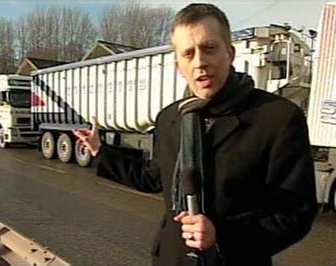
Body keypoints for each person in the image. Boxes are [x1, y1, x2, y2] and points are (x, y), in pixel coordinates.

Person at [73, 3, 317, 266]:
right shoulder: (169, 118)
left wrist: (223, 234)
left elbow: (296, 213)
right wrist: (100, 150)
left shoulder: (278, 118)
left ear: (230, 53)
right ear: (179, 65)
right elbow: (153, 177)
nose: (200, 62)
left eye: (209, 48)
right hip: (171, 258)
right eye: (189, 54)